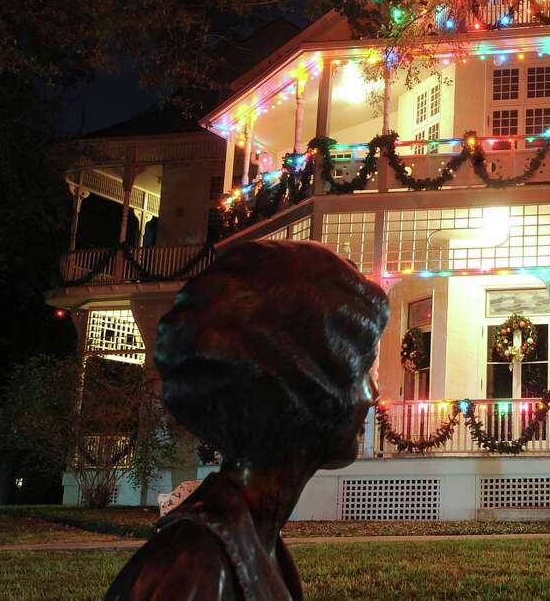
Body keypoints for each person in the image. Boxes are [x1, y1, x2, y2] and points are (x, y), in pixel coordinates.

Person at [105, 239, 389, 601]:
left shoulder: (252, 542)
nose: (373, 395)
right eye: (366, 370)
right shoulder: (194, 569)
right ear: (303, 384)